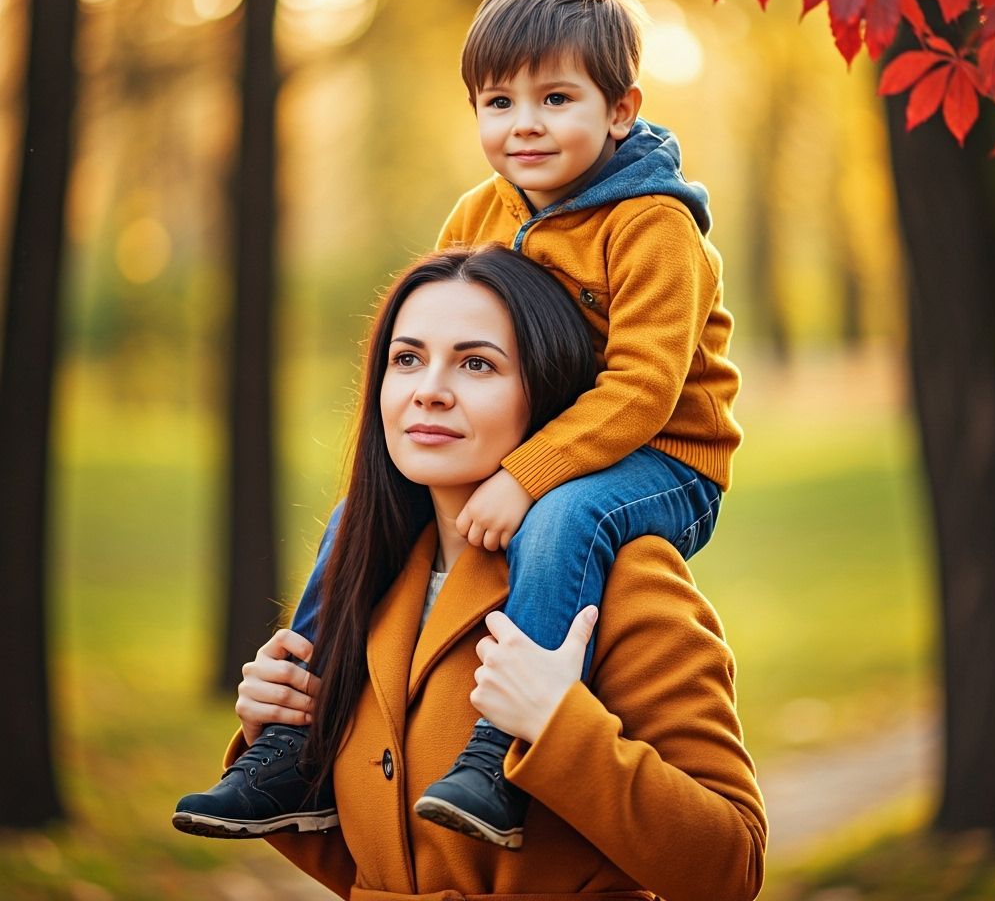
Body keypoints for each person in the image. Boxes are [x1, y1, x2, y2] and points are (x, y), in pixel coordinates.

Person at [174, 0, 741, 849]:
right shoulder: (480, 211)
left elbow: (643, 388)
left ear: (621, 110)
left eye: (556, 100)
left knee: (562, 520)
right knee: (354, 520)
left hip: (664, 456)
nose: (524, 126)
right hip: (550, 453)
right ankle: (292, 743)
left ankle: (501, 750)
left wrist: (525, 473)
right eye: (497, 102)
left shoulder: (653, 227)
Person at [179, 246, 766, 900]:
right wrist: (280, 734)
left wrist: (557, 724)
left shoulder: (625, 582)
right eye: (407, 359)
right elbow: (393, 870)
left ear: (547, 394)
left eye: (476, 363)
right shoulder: (370, 580)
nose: (429, 389)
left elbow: (730, 868)